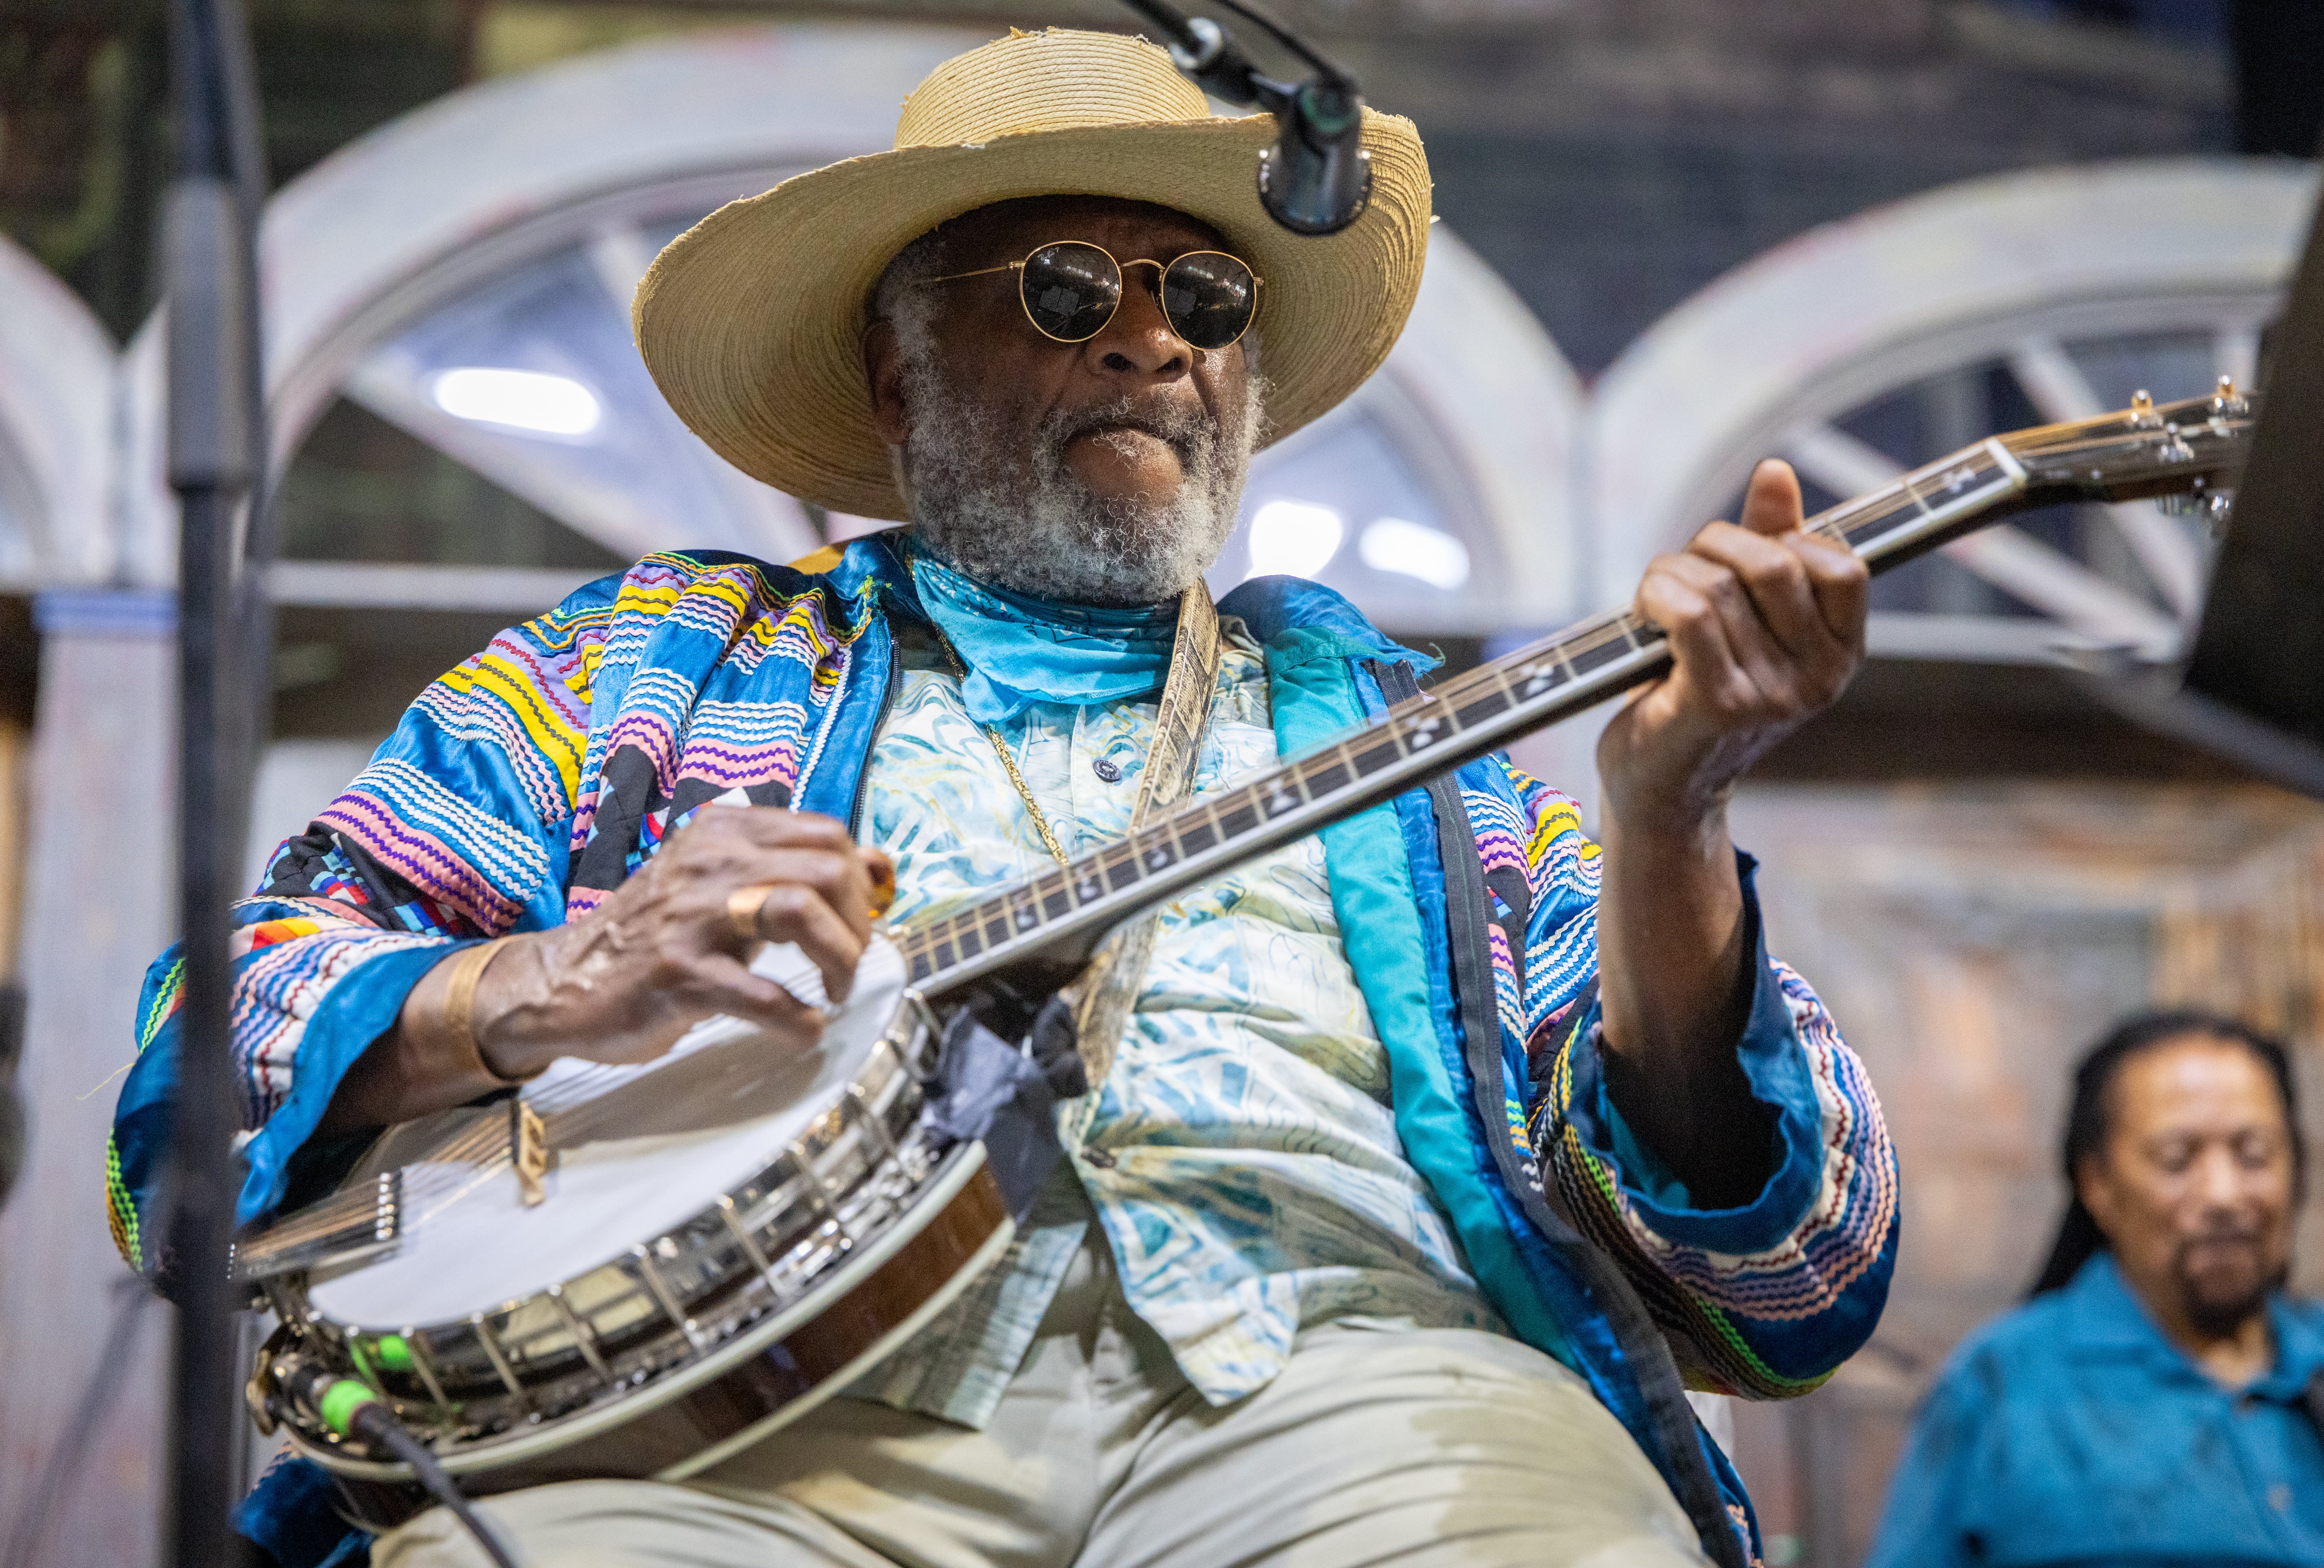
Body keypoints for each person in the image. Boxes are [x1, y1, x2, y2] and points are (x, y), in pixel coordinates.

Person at [109, 30, 1898, 1568]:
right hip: (729, 1429)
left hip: (1358, 1387)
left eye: (1203, 302)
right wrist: (549, 988)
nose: (1153, 348)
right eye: (1066, 291)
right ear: (899, 375)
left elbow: (1788, 1272)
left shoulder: (1413, 742)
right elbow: (205, 1058)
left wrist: (1672, 820)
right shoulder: (653, 666)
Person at [1869, 1010, 2324, 1566]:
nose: (2223, 1193)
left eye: (2254, 1154)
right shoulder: (2002, 1384)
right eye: (2176, 1158)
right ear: (2096, 1184)